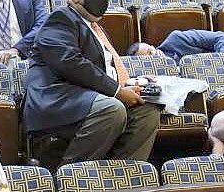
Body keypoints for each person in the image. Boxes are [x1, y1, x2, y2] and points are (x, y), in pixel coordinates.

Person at [23, 0, 161, 168]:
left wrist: (131, 84)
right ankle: (70, 176)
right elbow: (69, 62)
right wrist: (117, 91)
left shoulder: (96, 29)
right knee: (112, 109)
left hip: (91, 96)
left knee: (147, 109)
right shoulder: (60, 19)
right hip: (56, 98)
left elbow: (104, 72)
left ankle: (120, 178)